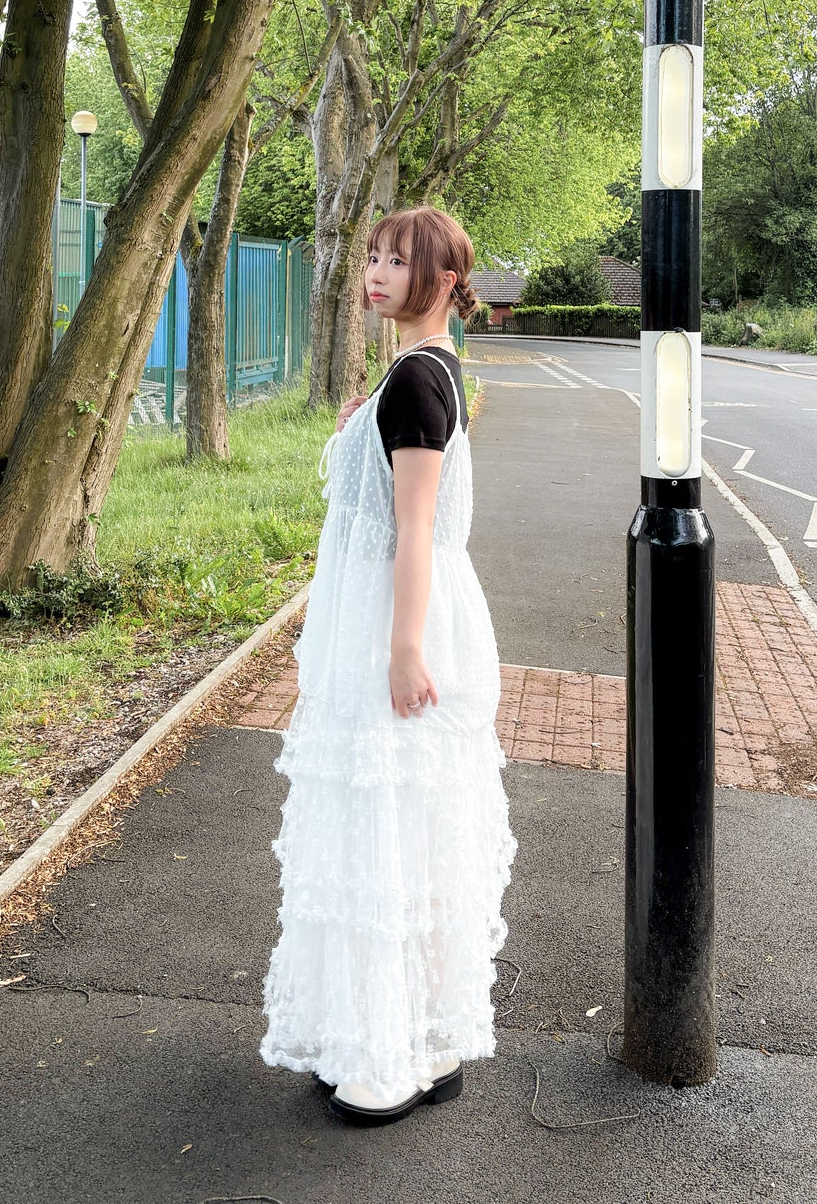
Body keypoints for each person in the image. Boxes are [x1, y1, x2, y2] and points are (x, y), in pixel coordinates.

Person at [259, 206, 516, 1125]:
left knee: (387, 816)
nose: (375, 270)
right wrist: (354, 421)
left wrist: (402, 648)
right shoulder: (420, 370)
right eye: (371, 255)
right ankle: (422, 1034)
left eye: (396, 260)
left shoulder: (415, 378)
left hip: (394, 617)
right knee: (410, 817)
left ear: (443, 279)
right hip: (394, 607)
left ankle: (392, 1052)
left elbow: (413, 526)